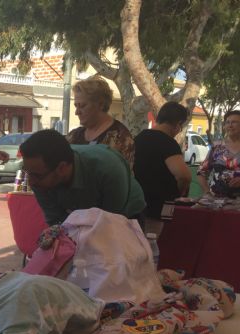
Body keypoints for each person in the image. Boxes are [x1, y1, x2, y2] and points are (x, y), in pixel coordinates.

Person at [19, 129, 146, 226]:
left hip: (124, 213)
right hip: (83, 207)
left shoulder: (108, 169)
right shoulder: (38, 175)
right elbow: (56, 222)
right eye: (27, 172)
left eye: (36, 175)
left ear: (62, 168)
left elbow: (110, 226)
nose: (31, 182)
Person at [134, 102, 192, 235]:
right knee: (150, 246)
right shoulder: (168, 142)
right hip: (156, 206)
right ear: (178, 124)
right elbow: (184, 176)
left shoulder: (139, 138)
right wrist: (179, 192)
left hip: (136, 203)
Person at [67, 75, 135, 169]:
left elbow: (122, 179)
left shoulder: (121, 138)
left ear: (101, 104)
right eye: (76, 106)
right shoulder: (73, 136)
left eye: (82, 106)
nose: (77, 112)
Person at [197, 110, 240, 198]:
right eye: (227, 122)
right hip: (217, 202)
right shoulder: (217, 147)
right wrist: (207, 193)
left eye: (234, 122)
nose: (230, 125)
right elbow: (201, 172)